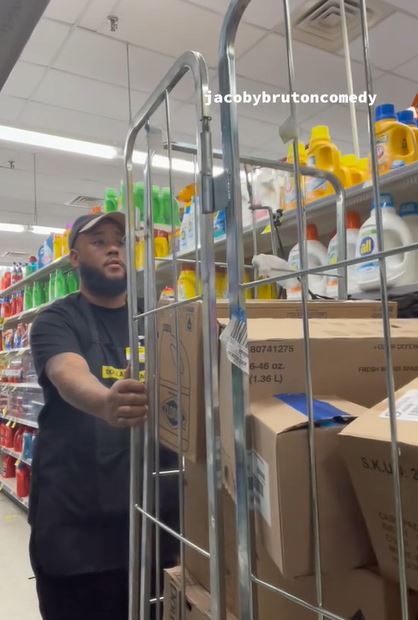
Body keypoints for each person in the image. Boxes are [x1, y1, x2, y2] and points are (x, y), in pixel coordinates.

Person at [29, 212, 148, 620]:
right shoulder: (56, 319)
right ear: (75, 257)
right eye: (98, 241)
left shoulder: (158, 317)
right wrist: (105, 403)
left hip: (152, 526)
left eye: (119, 240)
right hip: (77, 534)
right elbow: (67, 372)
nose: (113, 247)